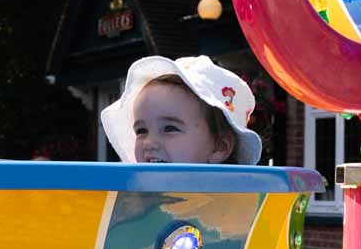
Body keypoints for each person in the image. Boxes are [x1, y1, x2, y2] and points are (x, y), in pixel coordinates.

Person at [99, 55, 263, 166]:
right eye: (141, 131)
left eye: (169, 128)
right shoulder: (131, 199)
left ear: (220, 147)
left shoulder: (236, 204)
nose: (149, 143)